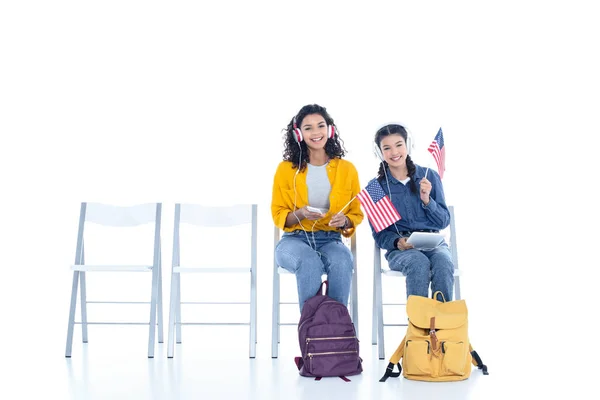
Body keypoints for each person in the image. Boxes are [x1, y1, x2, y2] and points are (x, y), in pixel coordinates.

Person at [272, 104, 363, 311]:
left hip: (330, 238)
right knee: (309, 261)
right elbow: (279, 215)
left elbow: (355, 213)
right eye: (308, 128)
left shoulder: (346, 169)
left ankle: (336, 329)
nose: (316, 133)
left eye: (320, 126)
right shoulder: (286, 170)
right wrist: (300, 214)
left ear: (330, 130)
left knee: (342, 260)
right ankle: (312, 332)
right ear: (298, 134)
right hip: (294, 240)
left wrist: (345, 220)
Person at [370, 123, 454, 302]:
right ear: (379, 152)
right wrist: (397, 241)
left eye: (399, 145)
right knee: (418, 263)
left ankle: (442, 326)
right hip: (402, 249)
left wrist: (427, 199)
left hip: (434, 244)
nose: (394, 152)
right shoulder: (376, 188)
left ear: (407, 145)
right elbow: (380, 234)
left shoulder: (429, 176)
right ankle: (418, 325)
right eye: (387, 148)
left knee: (443, 263)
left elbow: (443, 221)